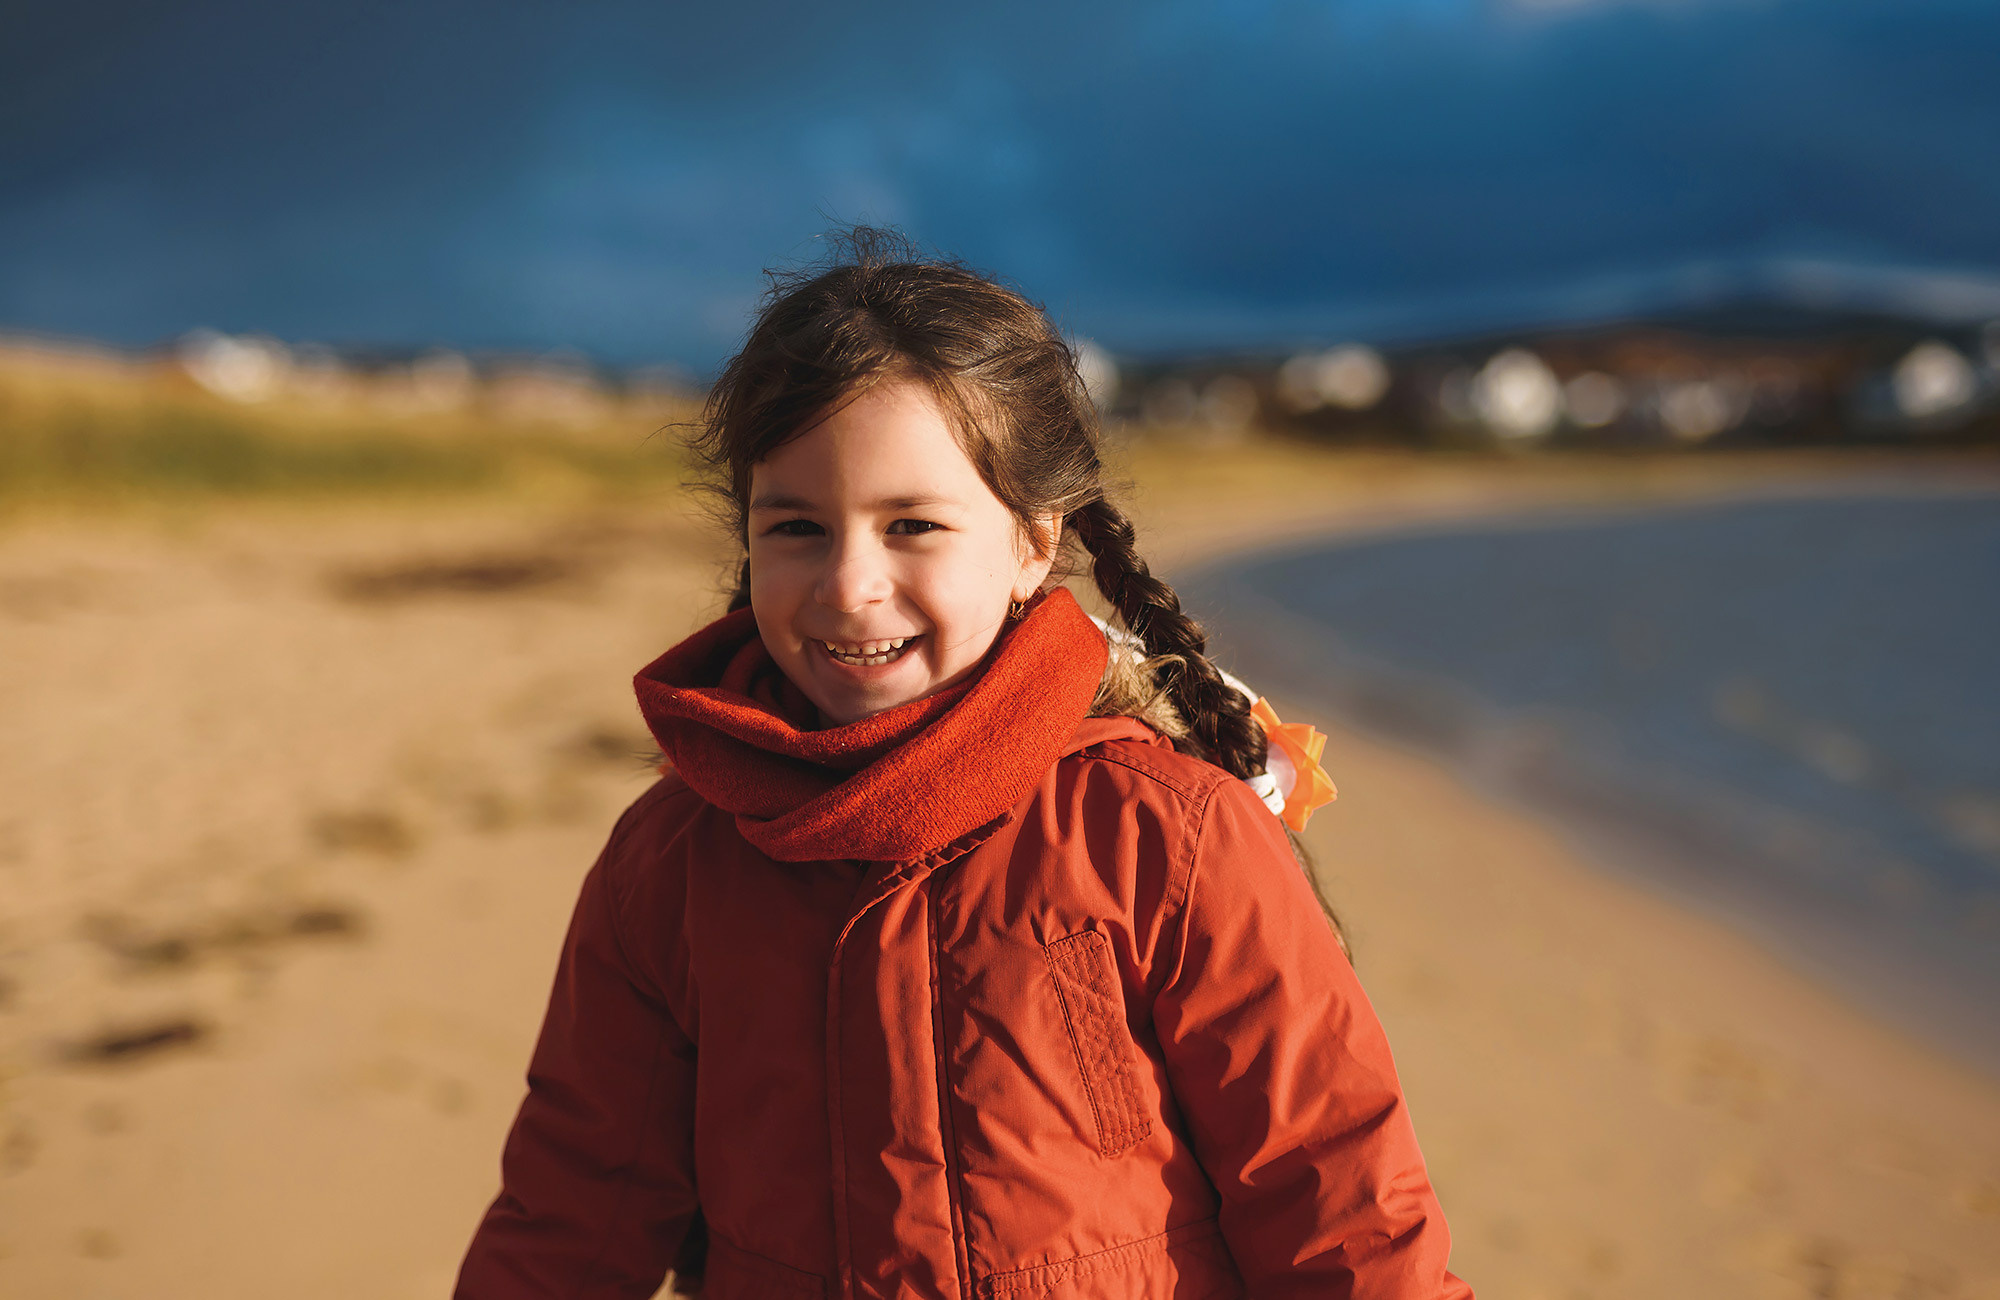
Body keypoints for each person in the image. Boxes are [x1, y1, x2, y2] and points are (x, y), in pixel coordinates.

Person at [454, 230, 1470, 1299]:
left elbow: (1344, 1215)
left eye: (912, 524)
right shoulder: (671, 862)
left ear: (1033, 542)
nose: (848, 584)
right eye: (797, 527)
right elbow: (572, 1211)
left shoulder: (1166, 837)